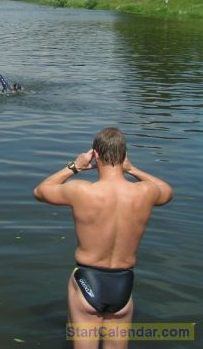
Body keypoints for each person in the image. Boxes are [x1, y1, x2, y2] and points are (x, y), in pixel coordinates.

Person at [33, 127, 173, 349]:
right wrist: (133, 169)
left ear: (95, 155)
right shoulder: (146, 192)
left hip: (89, 279)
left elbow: (41, 191)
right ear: (124, 156)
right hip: (123, 283)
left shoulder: (81, 191)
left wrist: (74, 167)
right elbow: (167, 191)